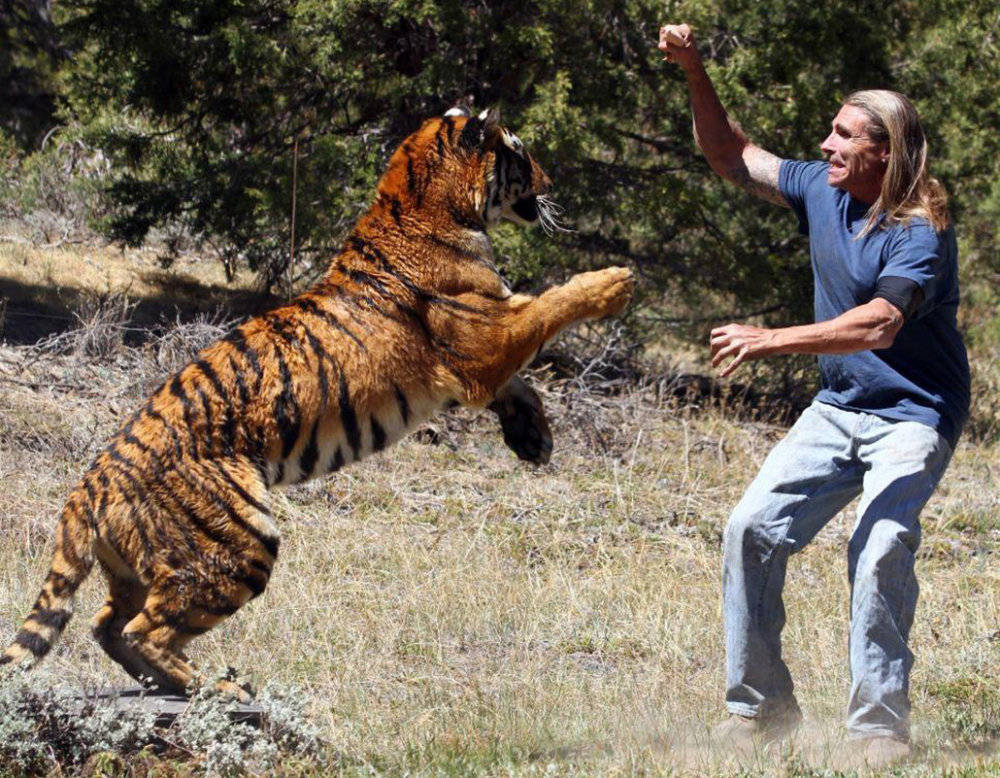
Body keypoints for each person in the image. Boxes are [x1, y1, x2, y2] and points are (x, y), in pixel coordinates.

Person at [658, 23, 970, 766]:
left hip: (914, 414)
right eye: (829, 131)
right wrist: (695, 68)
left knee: (879, 546)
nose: (826, 145)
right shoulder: (819, 189)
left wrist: (770, 338)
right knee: (751, 529)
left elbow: (881, 324)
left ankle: (877, 729)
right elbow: (731, 154)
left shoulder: (920, 230)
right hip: (839, 409)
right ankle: (761, 711)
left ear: (883, 154)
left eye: (844, 135)